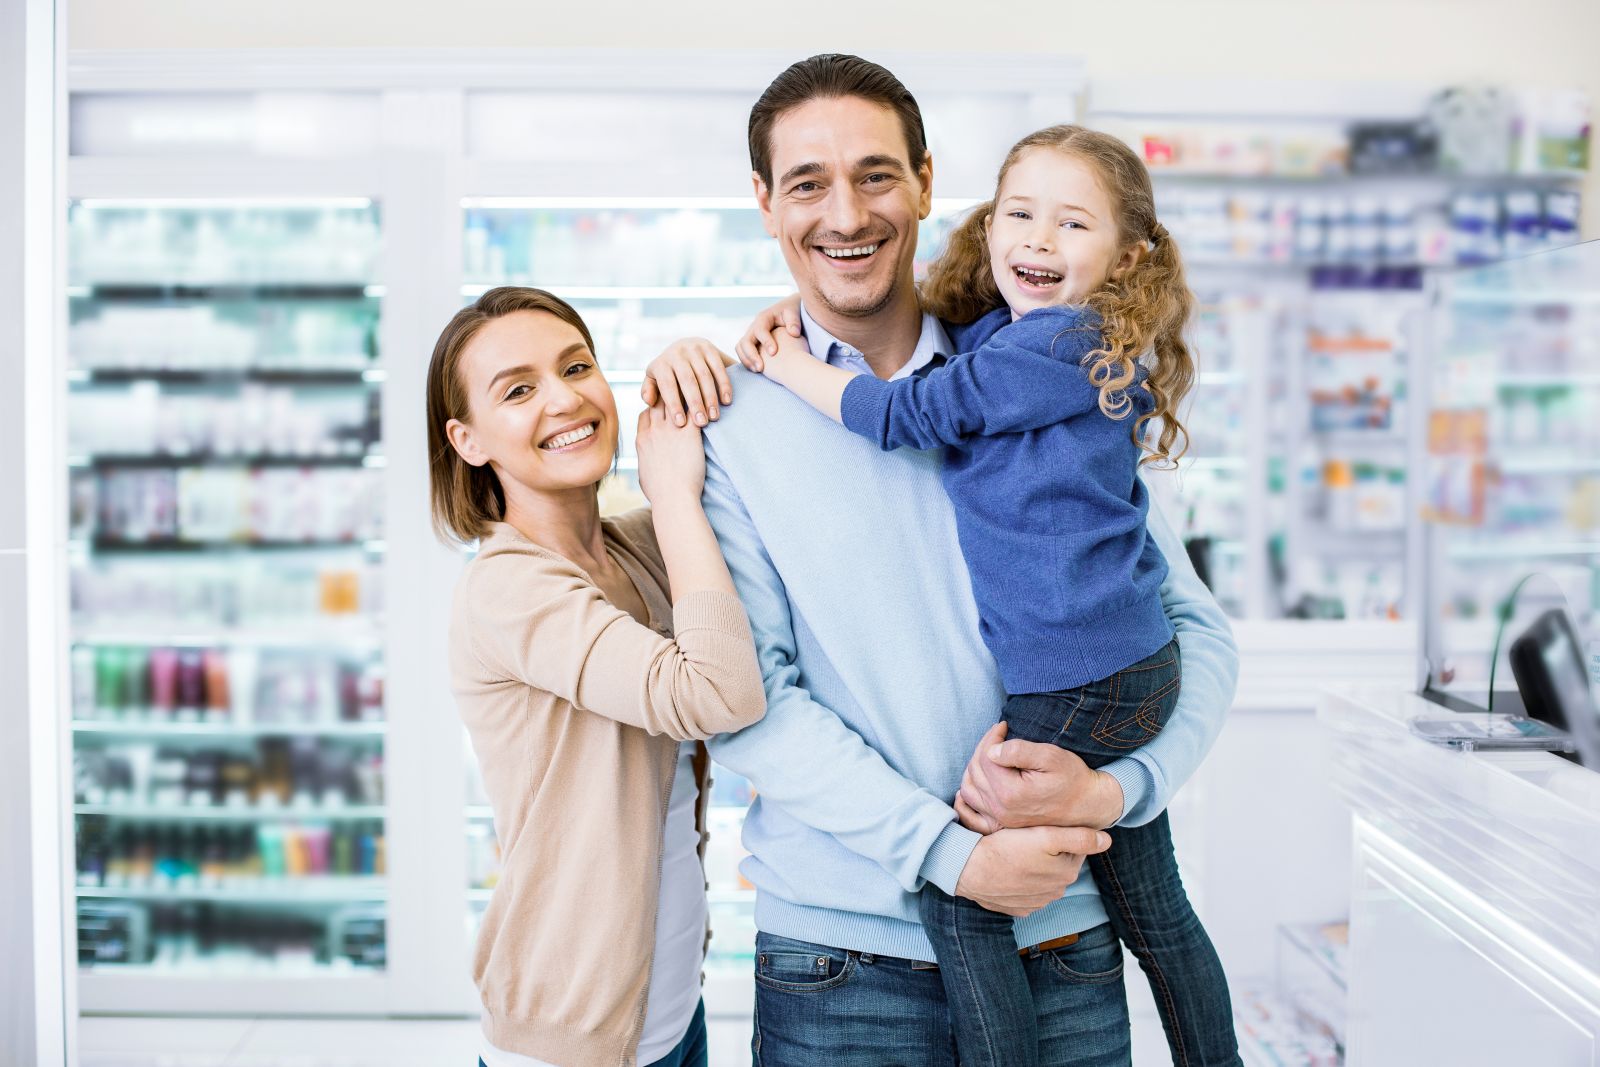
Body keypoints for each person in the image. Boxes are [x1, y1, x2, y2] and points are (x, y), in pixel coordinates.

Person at [642, 55, 1237, 1067]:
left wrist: (1119, 790)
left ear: (925, 181)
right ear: (763, 203)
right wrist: (951, 853)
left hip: (1063, 943)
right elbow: (745, 702)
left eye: (876, 174)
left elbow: (1190, 633)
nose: (846, 213)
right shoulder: (723, 424)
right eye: (806, 182)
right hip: (838, 967)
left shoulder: (1030, 376)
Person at [428, 286, 765, 1067]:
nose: (564, 397)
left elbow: (762, 497)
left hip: (673, 1011)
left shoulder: (632, 548)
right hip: (571, 1043)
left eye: (575, 366)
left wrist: (705, 365)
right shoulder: (509, 586)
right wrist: (672, 489)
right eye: (518, 389)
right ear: (467, 438)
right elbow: (716, 693)